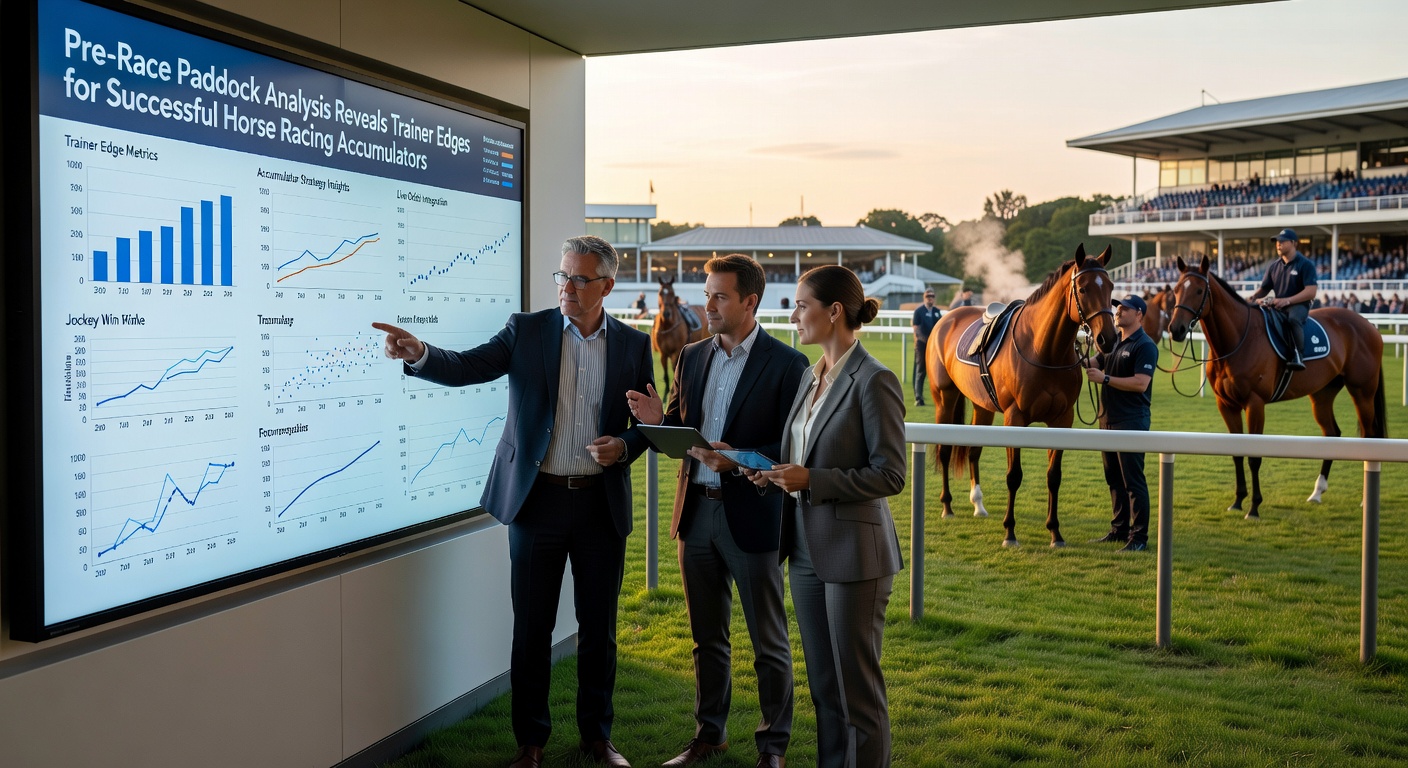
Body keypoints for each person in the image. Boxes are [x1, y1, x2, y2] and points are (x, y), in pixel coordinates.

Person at [373, 235, 653, 768]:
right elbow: (467, 366)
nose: (566, 287)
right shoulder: (527, 330)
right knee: (531, 629)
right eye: (562, 276)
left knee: (599, 630)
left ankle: (598, 737)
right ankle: (531, 742)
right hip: (537, 503)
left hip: (600, 506)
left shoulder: (633, 346)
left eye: (579, 279)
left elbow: (648, 423)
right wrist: (421, 354)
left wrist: (626, 445)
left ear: (607, 287)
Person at [625, 254, 807, 768]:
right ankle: (710, 735)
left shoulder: (788, 364)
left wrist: (738, 458)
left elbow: (792, 449)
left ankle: (773, 747)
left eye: (719, 296)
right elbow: (684, 429)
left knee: (768, 641)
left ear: (751, 301)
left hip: (752, 516)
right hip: (695, 516)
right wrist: (661, 420)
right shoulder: (692, 355)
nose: (707, 305)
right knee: (707, 639)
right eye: (706, 295)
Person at [744, 265, 906, 768]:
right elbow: (805, 453)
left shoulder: (874, 379)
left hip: (856, 555)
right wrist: (770, 472)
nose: (792, 315)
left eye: (800, 305)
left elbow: (890, 475)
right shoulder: (808, 376)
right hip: (806, 549)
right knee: (824, 688)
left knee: (857, 692)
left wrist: (812, 481)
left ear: (834, 311)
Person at [1085, 294, 1159, 553]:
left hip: (1131, 422)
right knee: (1114, 479)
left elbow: (1141, 383)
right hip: (1107, 420)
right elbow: (1093, 363)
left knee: (1133, 482)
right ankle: (1119, 530)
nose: (1118, 311)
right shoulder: (1113, 341)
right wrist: (1078, 353)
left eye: (1125, 309)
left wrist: (1104, 379)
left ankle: (1139, 538)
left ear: (1139, 314)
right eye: (1117, 307)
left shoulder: (1145, 345)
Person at [1250, 228, 1317, 371]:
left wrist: (1288, 300)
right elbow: (1264, 288)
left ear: (1293, 243)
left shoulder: (1305, 264)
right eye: (1277, 242)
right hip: (1277, 304)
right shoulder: (1273, 266)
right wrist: (1252, 299)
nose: (1278, 244)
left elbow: (1311, 292)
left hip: (1298, 305)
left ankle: (1298, 355)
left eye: (1282, 241)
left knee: (1293, 319)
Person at [911, 289, 941, 406]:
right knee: (921, 371)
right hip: (922, 345)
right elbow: (916, 330)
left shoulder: (937, 312)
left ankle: (938, 396)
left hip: (934, 346)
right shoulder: (919, 311)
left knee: (936, 371)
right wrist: (928, 341)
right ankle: (918, 397)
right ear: (924, 298)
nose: (930, 298)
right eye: (928, 296)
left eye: (932, 296)